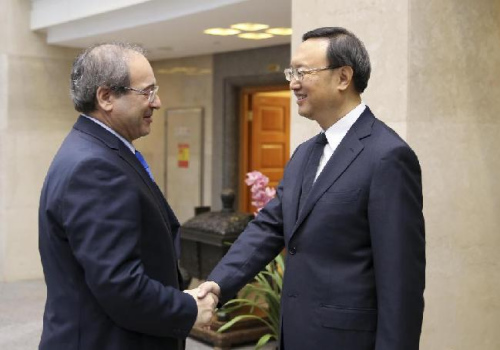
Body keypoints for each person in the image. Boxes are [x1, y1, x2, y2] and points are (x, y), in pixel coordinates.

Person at [198, 27, 425, 350]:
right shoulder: (305, 153)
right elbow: (267, 228)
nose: (292, 82)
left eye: (303, 72)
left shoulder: (388, 156)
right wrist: (217, 286)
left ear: (343, 77)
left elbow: (401, 282)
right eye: (292, 72)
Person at [38, 42, 217, 350]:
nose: (157, 102)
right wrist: (188, 309)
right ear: (106, 97)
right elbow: (120, 285)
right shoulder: (94, 167)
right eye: (146, 92)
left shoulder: (95, 151)